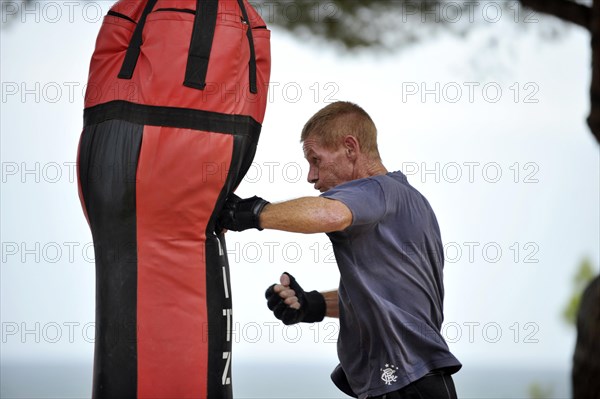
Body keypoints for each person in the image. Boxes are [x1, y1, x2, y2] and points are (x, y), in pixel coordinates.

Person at [218, 101, 462, 399]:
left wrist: (249, 213)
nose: (311, 176)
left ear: (350, 148)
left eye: (315, 160)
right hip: (409, 381)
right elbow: (385, 295)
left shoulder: (375, 190)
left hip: (407, 383)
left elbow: (329, 214)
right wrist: (313, 304)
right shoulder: (408, 201)